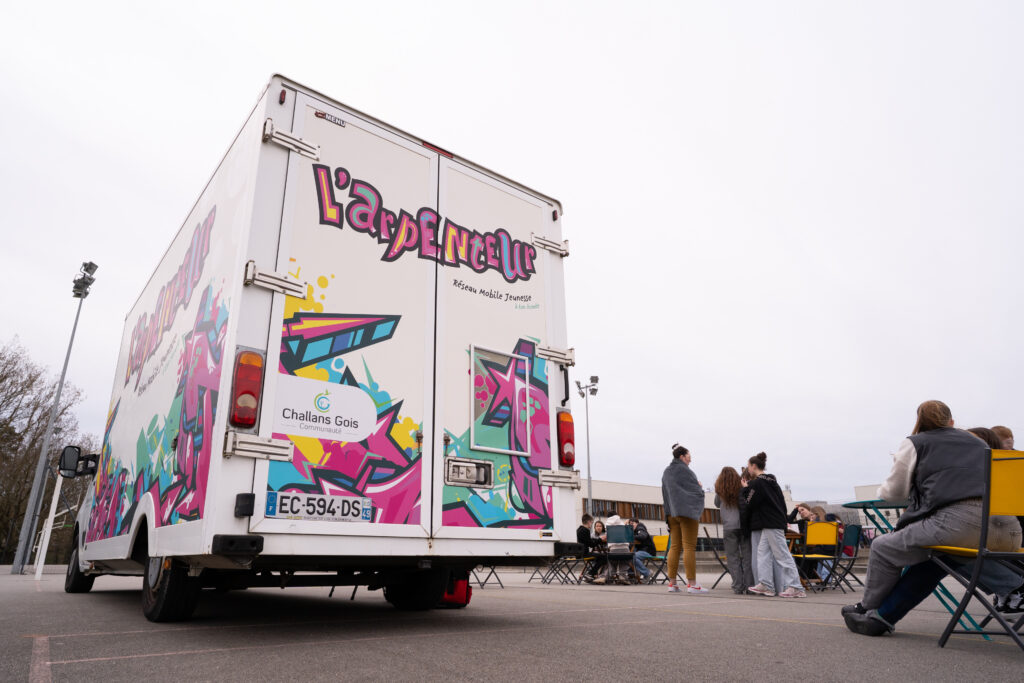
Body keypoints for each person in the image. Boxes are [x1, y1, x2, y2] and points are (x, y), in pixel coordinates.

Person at [842, 402, 1023, 636]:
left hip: (960, 525)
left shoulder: (916, 442)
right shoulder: (979, 443)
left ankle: (867, 607)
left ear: (918, 421)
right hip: (1010, 531)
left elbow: (893, 493)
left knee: (882, 547)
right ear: (952, 421)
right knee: (943, 556)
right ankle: (881, 616)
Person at [741, 452, 806, 598]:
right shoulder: (772, 481)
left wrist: (745, 488)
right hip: (774, 521)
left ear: (754, 466)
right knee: (763, 553)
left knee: (781, 554)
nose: (748, 469)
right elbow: (781, 502)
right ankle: (766, 585)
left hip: (770, 522)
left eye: (748, 466)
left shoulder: (757, 483)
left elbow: (749, 502)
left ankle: (796, 587)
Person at [661, 444, 709, 594]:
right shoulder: (686, 471)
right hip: (687, 512)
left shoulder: (666, 472)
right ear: (682, 457)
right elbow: (695, 491)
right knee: (689, 547)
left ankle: (672, 583)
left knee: (674, 547)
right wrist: (700, 488)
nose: (690, 460)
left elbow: (665, 494)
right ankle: (692, 584)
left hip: (672, 513)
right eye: (689, 457)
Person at [715, 466, 754, 594]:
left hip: (729, 527)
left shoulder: (720, 490)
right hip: (743, 525)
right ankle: (750, 586)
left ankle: (737, 586)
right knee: (747, 557)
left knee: (733, 558)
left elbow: (717, 504)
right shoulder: (741, 487)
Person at [578, 514, 607, 583]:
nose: (591, 524)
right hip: (584, 553)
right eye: (592, 522)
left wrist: (597, 539)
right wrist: (600, 539)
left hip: (578, 553)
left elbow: (588, 541)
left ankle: (593, 575)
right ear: (588, 522)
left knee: (599, 556)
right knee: (604, 557)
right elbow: (592, 545)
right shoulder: (586, 530)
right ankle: (591, 573)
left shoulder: (579, 529)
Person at [629, 517, 655, 583]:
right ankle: (632, 575)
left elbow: (642, 536)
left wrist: (631, 537)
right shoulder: (634, 531)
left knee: (632, 557)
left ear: (637, 523)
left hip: (648, 551)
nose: (631, 525)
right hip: (641, 551)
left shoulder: (640, 528)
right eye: (630, 524)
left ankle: (647, 573)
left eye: (632, 523)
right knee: (628, 556)